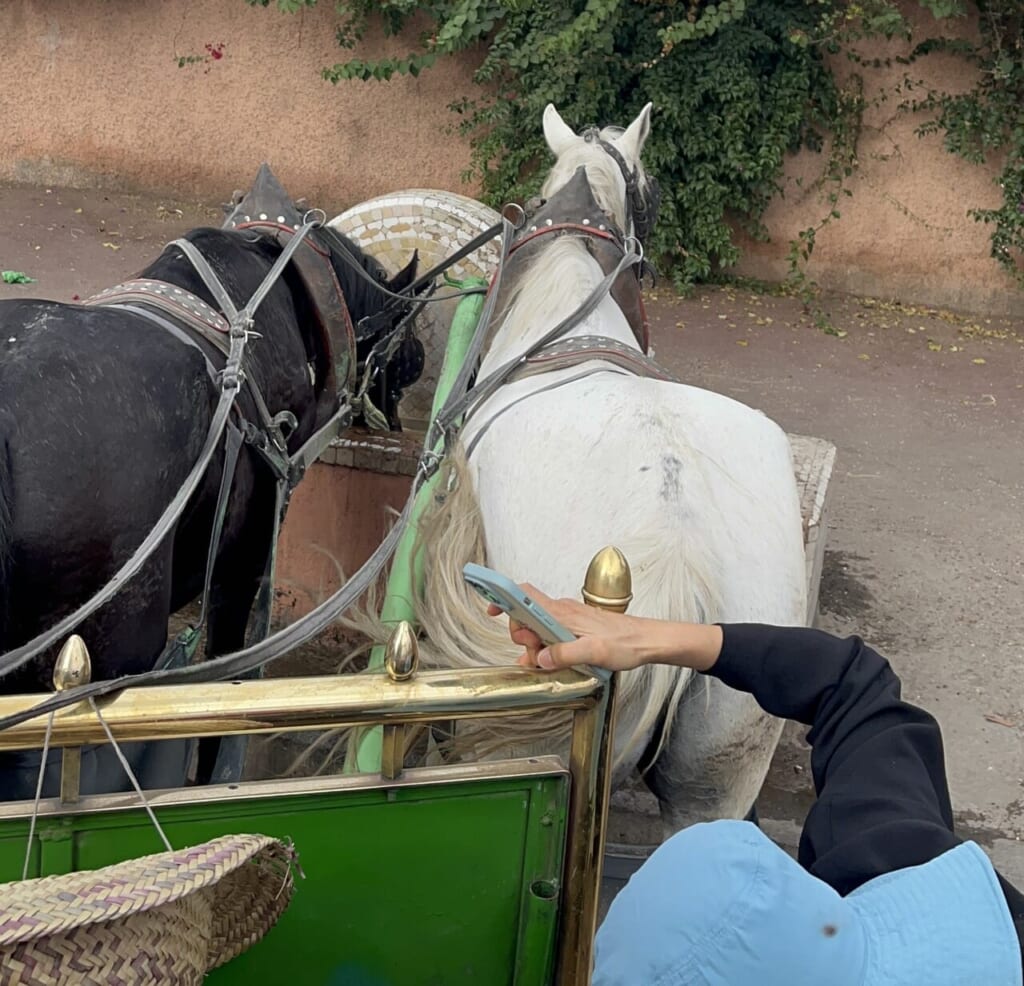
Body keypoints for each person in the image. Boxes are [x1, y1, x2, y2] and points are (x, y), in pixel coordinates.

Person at [488, 587, 1024, 985]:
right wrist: (663, 639)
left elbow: (847, 683)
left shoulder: (875, 852)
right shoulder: (890, 856)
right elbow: (851, 683)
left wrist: (647, 638)